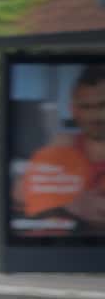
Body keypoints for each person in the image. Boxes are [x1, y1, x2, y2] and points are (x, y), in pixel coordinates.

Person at [16, 64, 105, 231]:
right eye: (86, 107)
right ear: (74, 110)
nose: (95, 116)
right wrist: (71, 204)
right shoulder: (58, 151)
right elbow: (21, 200)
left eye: (102, 105)